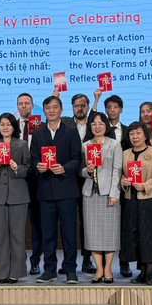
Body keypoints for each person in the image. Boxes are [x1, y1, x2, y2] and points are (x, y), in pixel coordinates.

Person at [31, 95, 82, 284]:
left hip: (66, 189)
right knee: (48, 234)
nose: (51, 111)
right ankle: (49, 269)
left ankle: (70, 270)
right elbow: (34, 159)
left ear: (61, 110)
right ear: (43, 111)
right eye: (48, 108)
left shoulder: (70, 132)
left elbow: (77, 159)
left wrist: (65, 168)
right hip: (45, 190)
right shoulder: (37, 134)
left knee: (69, 233)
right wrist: (38, 166)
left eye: (55, 107)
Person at [120, 122, 152, 285]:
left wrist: (145, 185)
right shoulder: (125, 153)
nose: (135, 137)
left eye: (138, 133)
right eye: (132, 134)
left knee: (150, 236)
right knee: (136, 236)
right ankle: (141, 271)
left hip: (151, 199)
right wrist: (124, 181)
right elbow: (121, 174)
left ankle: (150, 272)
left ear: (145, 135)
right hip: (131, 199)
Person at [0, 113, 31, 283]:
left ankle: (16, 273)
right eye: (2, 124)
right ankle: (2, 272)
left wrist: (17, 168)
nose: (5, 127)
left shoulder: (22, 144)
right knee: (1, 236)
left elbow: (28, 169)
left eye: (8, 124)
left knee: (17, 236)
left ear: (14, 127)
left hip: (18, 195)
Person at [80, 112, 122, 283]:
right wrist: (87, 171)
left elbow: (117, 170)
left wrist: (114, 193)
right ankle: (98, 269)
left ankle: (108, 269)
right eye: (94, 124)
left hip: (108, 194)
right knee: (93, 233)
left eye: (101, 124)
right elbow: (80, 171)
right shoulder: (85, 145)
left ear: (106, 126)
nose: (97, 127)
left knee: (110, 233)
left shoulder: (114, 144)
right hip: (90, 193)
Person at [60, 92, 96, 275]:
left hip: (90, 179)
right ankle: (68, 261)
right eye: (76, 105)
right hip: (67, 178)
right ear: (71, 107)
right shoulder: (65, 123)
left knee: (87, 221)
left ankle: (87, 259)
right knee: (68, 222)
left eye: (83, 105)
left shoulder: (95, 123)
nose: (80, 108)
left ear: (88, 107)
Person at [104, 94, 133, 278]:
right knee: (103, 226)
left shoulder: (129, 130)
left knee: (125, 225)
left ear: (121, 109)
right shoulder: (99, 130)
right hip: (105, 183)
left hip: (125, 183)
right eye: (109, 107)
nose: (112, 110)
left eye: (115, 107)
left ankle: (124, 263)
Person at [16, 92, 43, 275]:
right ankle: (18, 260)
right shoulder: (10, 125)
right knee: (17, 223)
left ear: (33, 105)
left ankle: (35, 260)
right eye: (21, 103)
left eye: (27, 103)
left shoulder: (41, 126)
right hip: (16, 178)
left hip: (38, 178)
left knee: (37, 223)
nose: (24, 106)